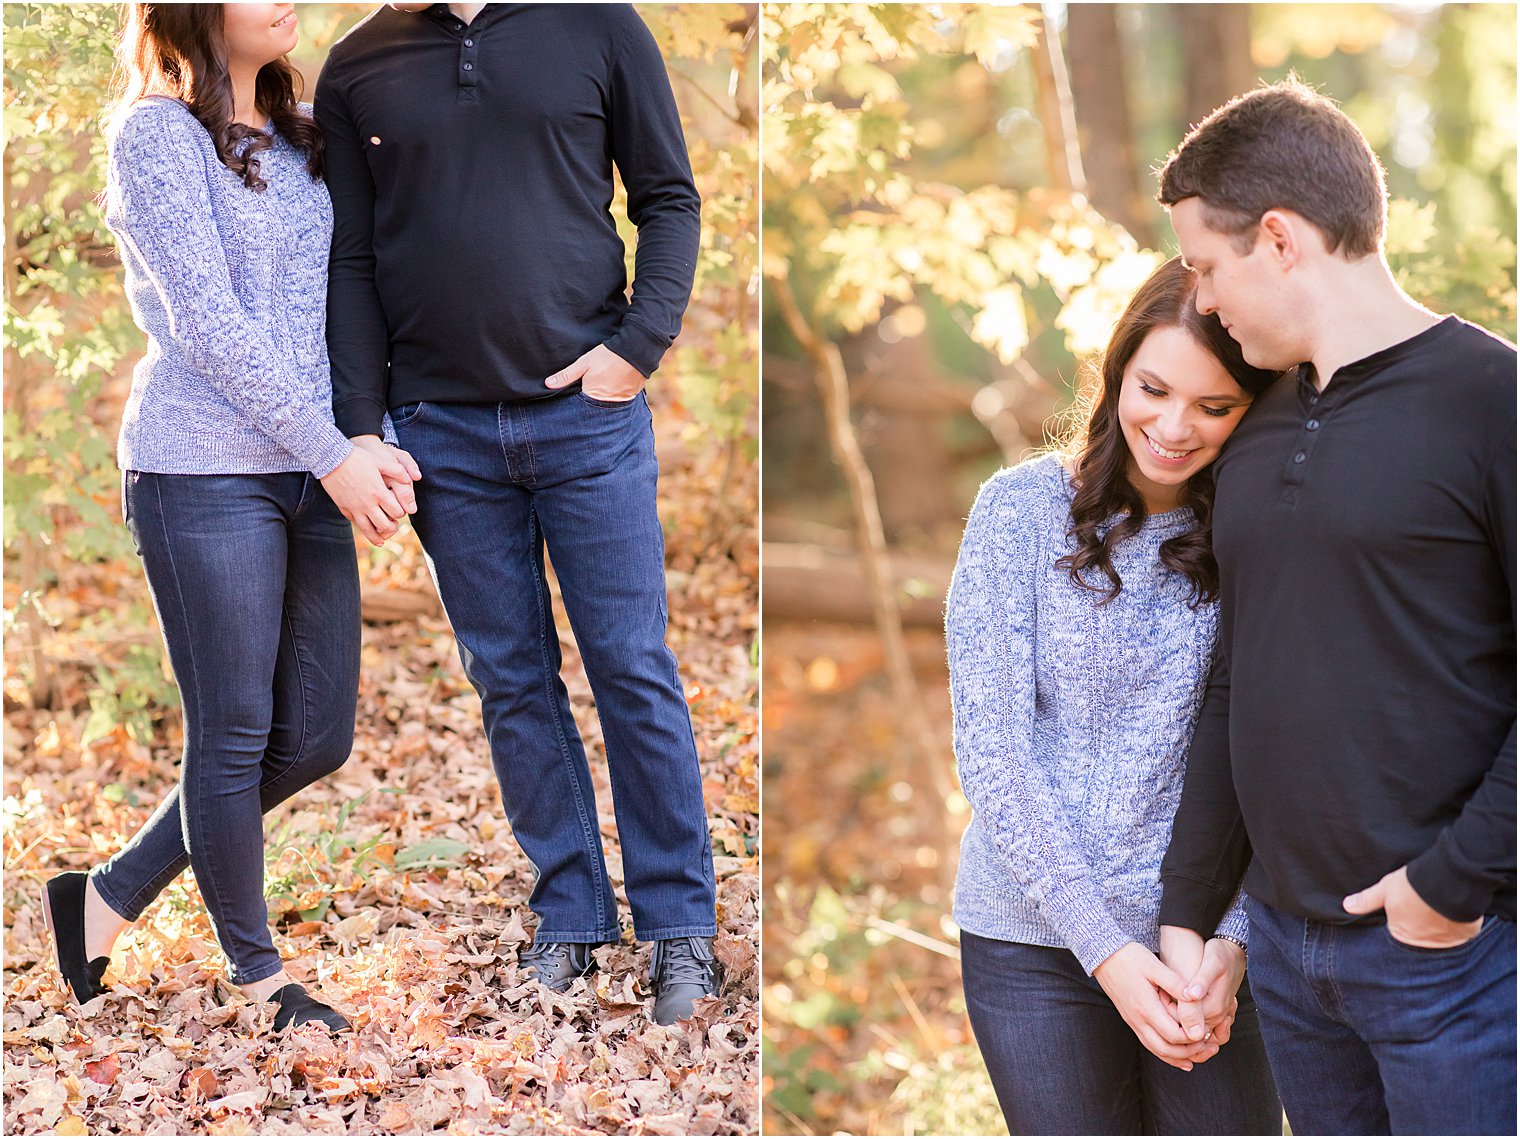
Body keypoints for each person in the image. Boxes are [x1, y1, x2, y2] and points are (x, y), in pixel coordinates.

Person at [315, 2, 720, 1025]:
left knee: (629, 662)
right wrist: (362, 424)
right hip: (439, 430)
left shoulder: (596, 26)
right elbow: (351, 259)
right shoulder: (357, 64)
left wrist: (637, 347)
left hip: (587, 416)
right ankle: (572, 916)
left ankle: (679, 924)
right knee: (509, 677)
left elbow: (667, 197)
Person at [41, 2, 420, 1033]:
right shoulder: (156, 134)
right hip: (202, 468)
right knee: (234, 730)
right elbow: (207, 322)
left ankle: (107, 893)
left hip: (313, 465)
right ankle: (261, 981)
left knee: (316, 735)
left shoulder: (305, 135)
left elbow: (345, 297)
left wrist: (364, 437)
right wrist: (334, 451)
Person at [1155, 78, 1516, 1136]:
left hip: (1451, 957)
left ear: (1278, 238)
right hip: (1284, 956)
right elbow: (1239, 672)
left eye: (1204, 267)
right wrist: (1191, 903)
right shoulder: (1258, 426)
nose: (1203, 299)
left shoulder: (1489, 402)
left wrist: (1449, 887)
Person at [946, 257, 1282, 1135]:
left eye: (1216, 405)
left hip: (1202, 945)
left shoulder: (1261, 535)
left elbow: (1268, 750)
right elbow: (993, 753)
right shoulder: (1017, 512)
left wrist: (1232, 943)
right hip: (1033, 936)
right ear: (1117, 371)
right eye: (1154, 387)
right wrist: (1106, 948)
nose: (1174, 426)